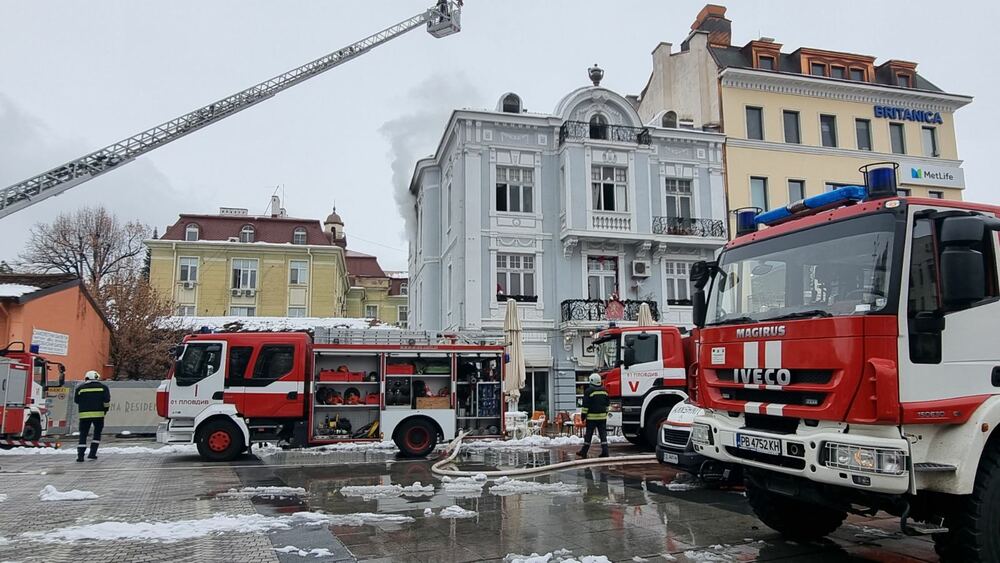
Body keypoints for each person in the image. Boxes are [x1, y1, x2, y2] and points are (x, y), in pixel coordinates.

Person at [74, 370, 110, 462]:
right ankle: (92, 454)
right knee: (97, 434)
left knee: (83, 434)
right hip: (99, 415)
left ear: (86, 378)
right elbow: (106, 401)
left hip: (84, 415)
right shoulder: (103, 388)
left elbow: (76, 400)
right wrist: (105, 410)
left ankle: (80, 456)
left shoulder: (80, 388)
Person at [577, 372, 610, 458]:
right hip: (602, 418)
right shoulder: (605, 391)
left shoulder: (589, 391)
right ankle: (605, 451)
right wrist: (605, 413)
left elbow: (585, 406)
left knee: (588, 435)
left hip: (591, 418)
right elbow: (607, 405)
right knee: (603, 435)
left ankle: (584, 451)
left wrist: (583, 416)